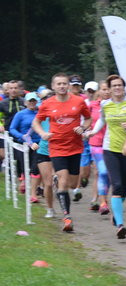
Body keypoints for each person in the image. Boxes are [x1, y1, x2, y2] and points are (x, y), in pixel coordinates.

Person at [85, 74, 126, 239]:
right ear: (109, 89)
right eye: (114, 86)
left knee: (124, 187)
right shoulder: (105, 104)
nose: (117, 88)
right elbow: (101, 121)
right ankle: (120, 224)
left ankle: (115, 213)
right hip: (109, 148)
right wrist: (93, 132)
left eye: (120, 85)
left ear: (124, 87)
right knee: (116, 184)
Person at [32, 73, 92, 232]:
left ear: (69, 85)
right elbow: (36, 122)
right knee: (64, 181)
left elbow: (88, 118)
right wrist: (42, 134)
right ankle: (67, 217)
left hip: (75, 147)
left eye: (64, 83)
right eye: (58, 84)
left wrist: (84, 127)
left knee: (72, 184)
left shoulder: (78, 101)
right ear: (53, 86)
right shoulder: (47, 104)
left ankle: (60, 185)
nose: (62, 86)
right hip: (56, 147)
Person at [9, 92, 43, 201]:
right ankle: (24, 181)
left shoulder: (40, 113)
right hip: (23, 144)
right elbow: (12, 129)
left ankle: (33, 194)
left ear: (37, 101)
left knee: (35, 168)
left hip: (38, 144)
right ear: (25, 102)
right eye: (30, 101)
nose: (32, 103)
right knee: (25, 168)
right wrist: (22, 136)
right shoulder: (20, 114)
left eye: (34, 101)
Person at [86, 81, 110, 214]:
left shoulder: (116, 106)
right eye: (104, 89)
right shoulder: (92, 105)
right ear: (99, 91)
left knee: (106, 174)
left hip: (112, 144)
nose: (106, 92)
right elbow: (86, 120)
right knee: (102, 171)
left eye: (108, 89)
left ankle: (101, 198)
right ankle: (102, 202)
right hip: (96, 143)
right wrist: (86, 129)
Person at [0, 79, 24, 164]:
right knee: (5, 155)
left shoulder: (24, 101)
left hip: (21, 132)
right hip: (7, 132)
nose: (13, 90)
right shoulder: (3, 103)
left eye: (15, 88)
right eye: (11, 88)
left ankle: (21, 174)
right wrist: (0, 124)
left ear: (19, 89)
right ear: (8, 90)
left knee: (20, 156)